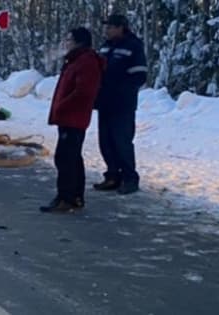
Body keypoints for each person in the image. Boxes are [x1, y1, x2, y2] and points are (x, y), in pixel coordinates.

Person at [40, 27, 105, 212]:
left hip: (73, 117)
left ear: (79, 42)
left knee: (66, 158)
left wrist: (63, 105)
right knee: (71, 157)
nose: (66, 42)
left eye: (69, 39)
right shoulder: (75, 59)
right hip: (69, 117)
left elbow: (84, 91)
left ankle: (67, 198)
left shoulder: (86, 61)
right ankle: (73, 197)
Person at [94, 14, 147, 195]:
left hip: (122, 105)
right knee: (105, 142)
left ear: (121, 27)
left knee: (122, 142)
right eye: (106, 27)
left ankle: (130, 178)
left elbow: (139, 76)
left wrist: (120, 90)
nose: (106, 30)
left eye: (110, 27)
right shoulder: (105, 46)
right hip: (104, 103)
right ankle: (112, 176)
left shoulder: (133, 46)